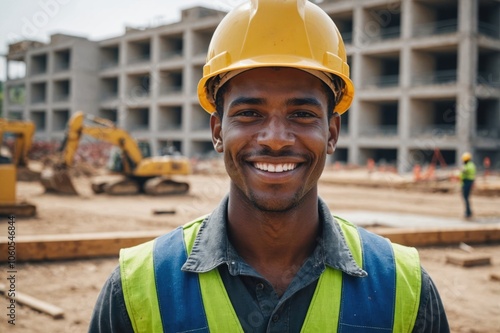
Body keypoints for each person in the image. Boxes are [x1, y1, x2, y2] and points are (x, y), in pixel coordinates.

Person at [89, 0, 449, 331]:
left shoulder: (406, 288)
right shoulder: (135, 290)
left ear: (332, 133)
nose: (276, 139)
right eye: (249, 113)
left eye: (302, 114)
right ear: (217, 132)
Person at [460, 152, 476, 219]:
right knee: (465, 198)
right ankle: (468, 211)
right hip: (466, 182)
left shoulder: (469, 165)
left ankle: (468, 212)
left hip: (467, 182)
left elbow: (464, 171)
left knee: (466, 197)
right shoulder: (469, 165)